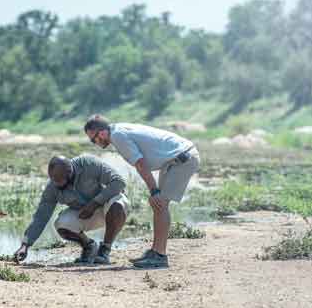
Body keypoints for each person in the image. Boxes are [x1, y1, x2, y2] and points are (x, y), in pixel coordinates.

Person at [84, 115, 200, 269]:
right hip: (174, 159)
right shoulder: (118, 130)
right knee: (158, 205)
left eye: (94, 139)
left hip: (183, 159)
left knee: (160, 203)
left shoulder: (118, 136)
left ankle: (159, 256)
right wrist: (154, 191)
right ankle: (156, 251)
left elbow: (140, 164)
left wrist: (154, 190)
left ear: (102, 133)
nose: (95, 143)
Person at [14, 154, 128, 265]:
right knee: (61, 224)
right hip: (87, 215)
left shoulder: (88, 164)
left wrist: (95, 203)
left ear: (70, 173)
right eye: (53, 179)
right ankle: (89, 247)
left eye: (60, 180)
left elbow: (119, 182)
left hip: (109, 208)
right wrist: (25, 245)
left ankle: (104, 250)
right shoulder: (53, 187)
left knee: (117, 204)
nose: (56, 184)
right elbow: (41, 217)